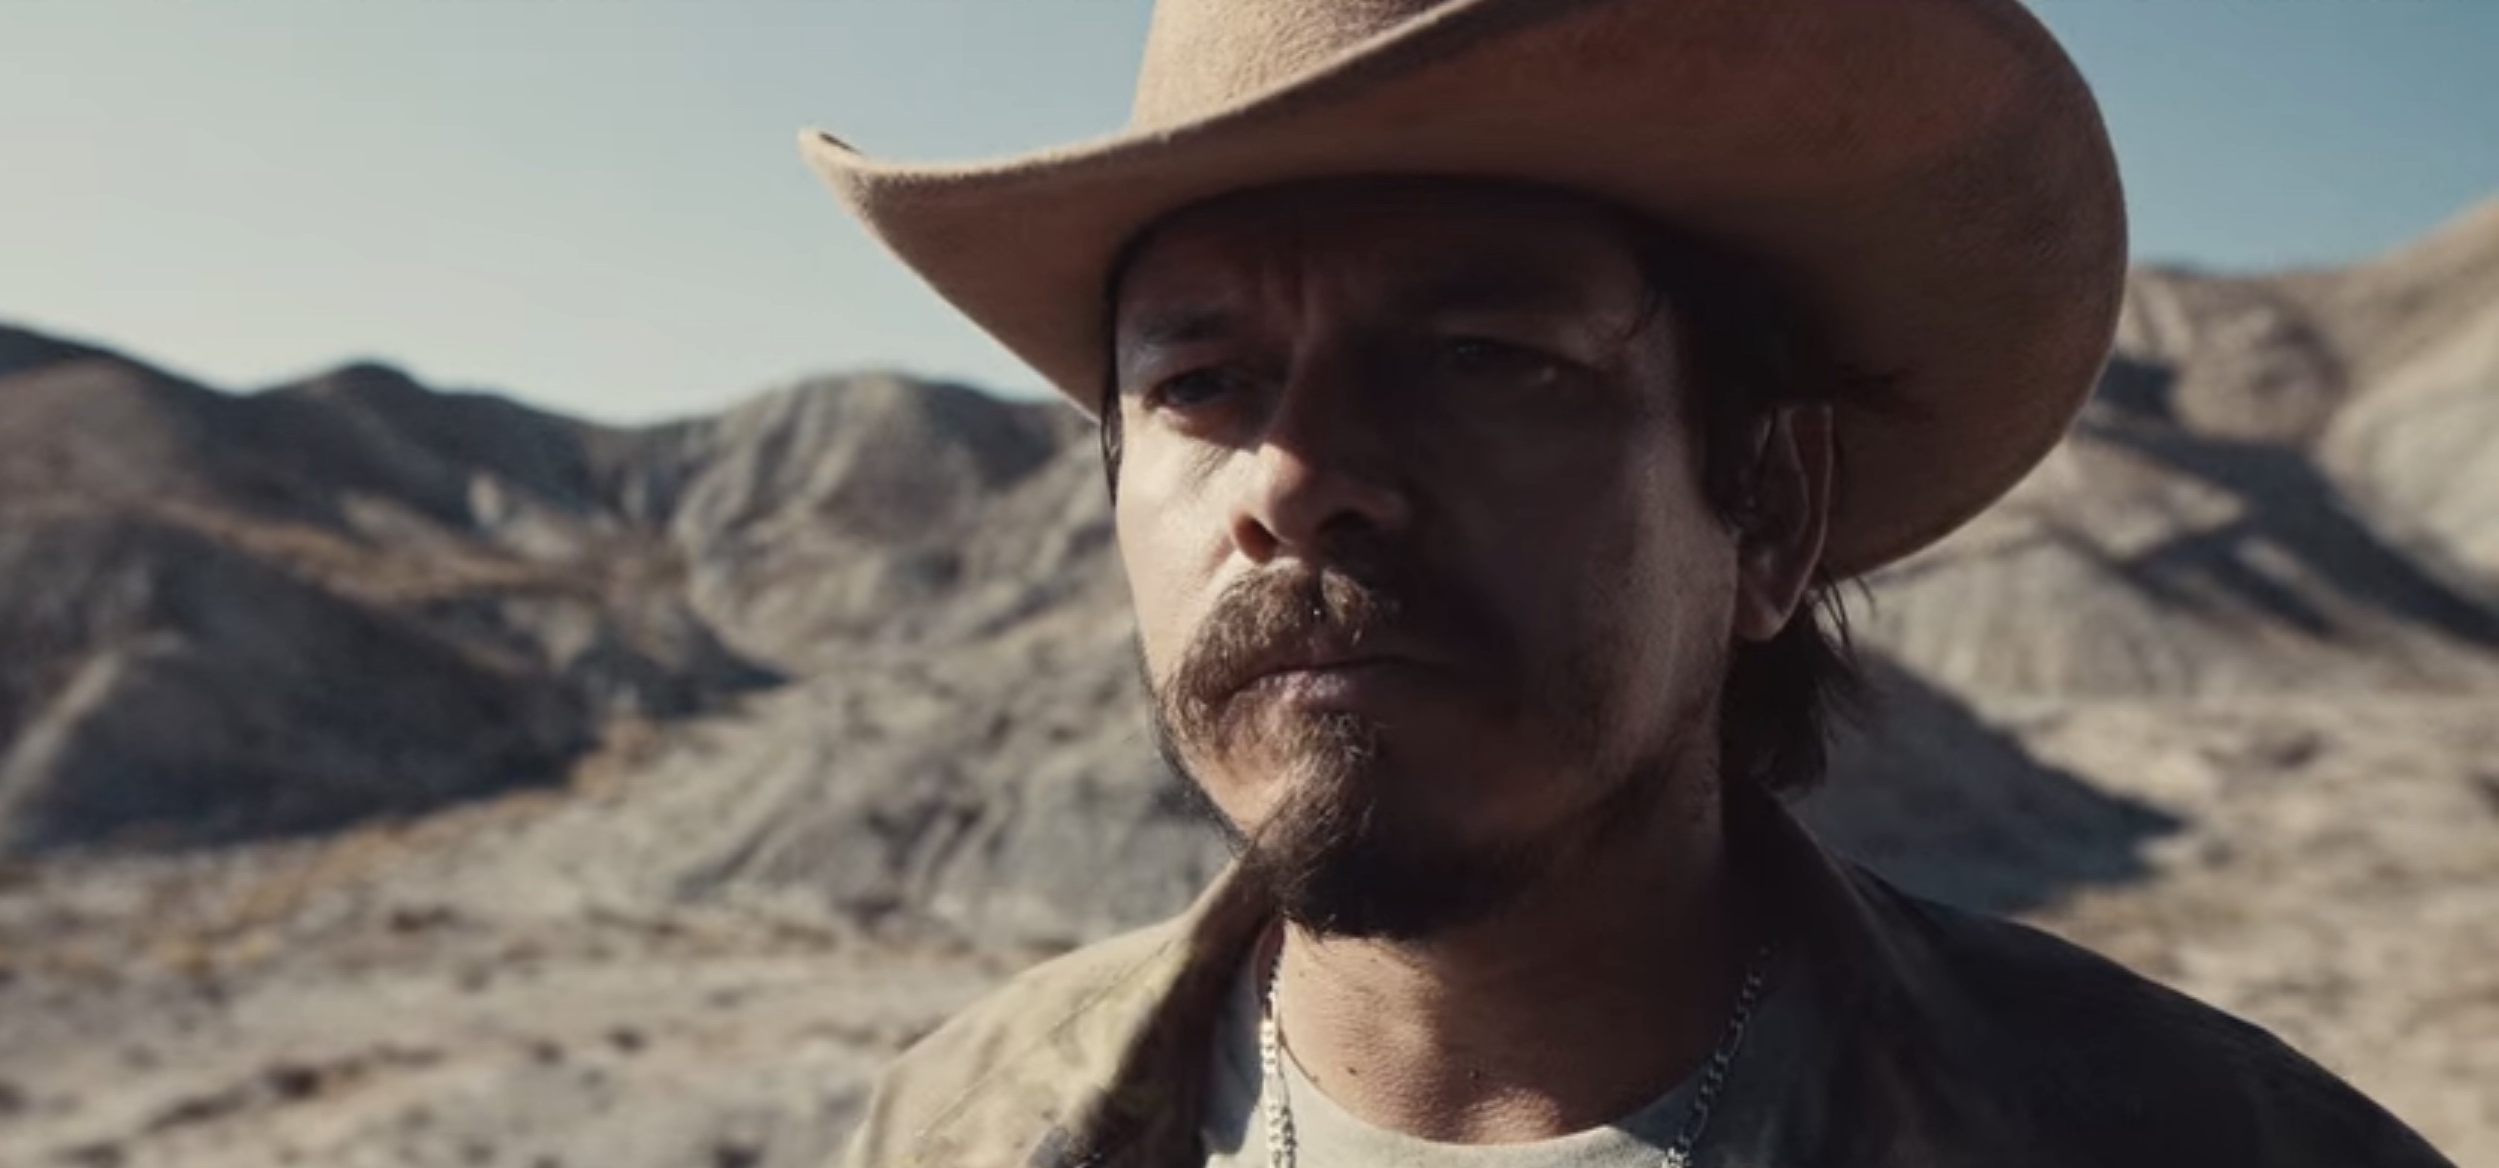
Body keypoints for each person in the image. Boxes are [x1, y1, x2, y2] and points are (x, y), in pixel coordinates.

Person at [798, 0, 2455, 1165]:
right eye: (1201, 386)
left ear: (1766, 507)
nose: (1294, 479)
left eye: (1477, 354)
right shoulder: (951, 1127)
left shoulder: (2197, 1142)